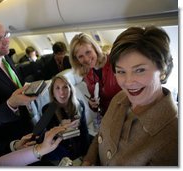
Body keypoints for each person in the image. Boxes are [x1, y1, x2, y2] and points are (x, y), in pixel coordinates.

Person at [82, 26, 178, 166]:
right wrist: (88, 160)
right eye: (121, 72)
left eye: (139, 70)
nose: (128, 82)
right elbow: (101, 136)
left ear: (162, 70)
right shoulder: (119, 98)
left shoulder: (173, 135)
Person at [69, 33, 121, 118]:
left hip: (127, 114)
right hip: (108, 117)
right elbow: (97, 102)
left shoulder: (114, 61)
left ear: (95, 49)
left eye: (88, 52)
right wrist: (92, 104)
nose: (86, 59)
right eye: (80, 56)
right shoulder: (87, 73)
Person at [41, 75, 90, 163]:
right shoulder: (47, 110)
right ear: (52, 92)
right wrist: (60, 129)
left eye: (65, 87)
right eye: (57, 88)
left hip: (79, 146)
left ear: (70, 89)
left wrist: (86, 155)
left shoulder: (79, 104)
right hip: (61, 151)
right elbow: (46, 139)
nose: (62, 92)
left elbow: (84, 131)